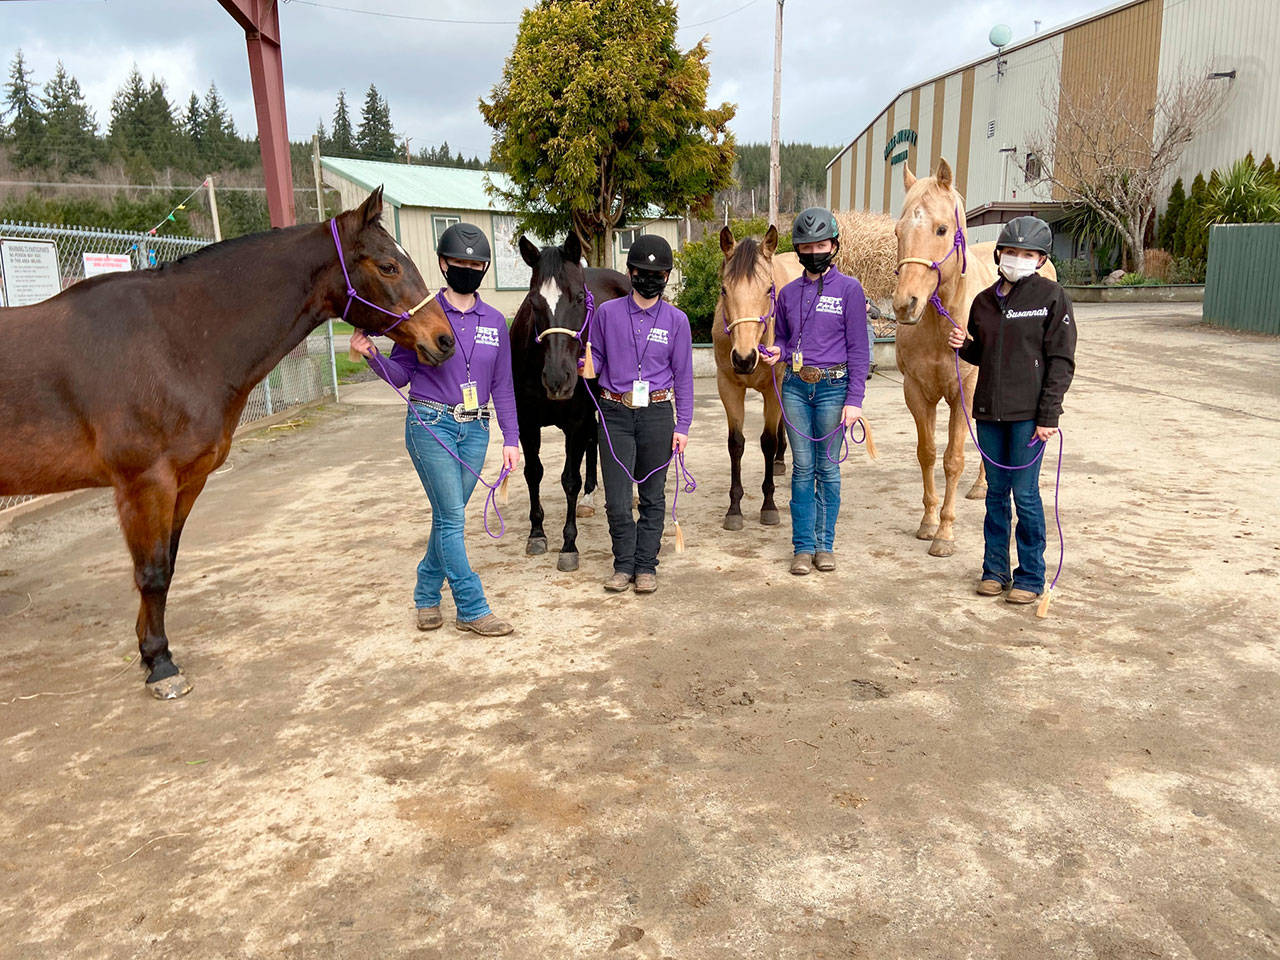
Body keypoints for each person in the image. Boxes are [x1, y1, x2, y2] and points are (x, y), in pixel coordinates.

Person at [350, 222, 520, 636]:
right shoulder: (422, 314)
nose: (468, 269)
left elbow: (502, 384)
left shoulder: (495, 321)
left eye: (476, 264)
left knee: (449, 517)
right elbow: (402, 375)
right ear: (442, 264)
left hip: (475, 428)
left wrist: (511, 439)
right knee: (451, 519)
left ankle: (426, 591)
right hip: (431, 424)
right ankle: (472, 607)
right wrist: (372, 354)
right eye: (459, 262)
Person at [947, 215, 1076, 605]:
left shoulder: (1052, 298)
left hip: (1028, 418)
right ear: (1000, 253)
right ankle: (994, 571)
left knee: (1026, 495)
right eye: (1012, 252)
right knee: (995, 495)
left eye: (1028, 254)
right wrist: (962, 345)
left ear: (1040, 260)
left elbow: (1061, 361)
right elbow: (983, 354)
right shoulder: (984, 301)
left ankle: (1031, 576)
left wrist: (1048, 416)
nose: (1018, 259)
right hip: (989, 413)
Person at [761, 206, 870, 575]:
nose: (813, 252)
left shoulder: (850, 290)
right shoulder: (788, 294)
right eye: (805, 247)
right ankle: (802, 548)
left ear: (834, 245)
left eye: (820, 244)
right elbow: (786, 340)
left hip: (833, 389)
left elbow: (859, 348)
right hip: (794, 386)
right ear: (797, 249)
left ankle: (825, 544)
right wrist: (779, 350)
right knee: (802, 468)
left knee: (829, 469)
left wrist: (854, 400)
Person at [583, 235, 693, 595]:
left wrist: (684, 425)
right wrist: (589, 364)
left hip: (658, 413)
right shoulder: (606, 313)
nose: (649, 279)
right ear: (630, 273)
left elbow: (684, 376)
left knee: (652, 496)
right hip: (614, 411)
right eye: (642, 272)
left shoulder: (677, 320)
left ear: (666, 276)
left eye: (657, 274)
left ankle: (646, 566)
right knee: (616, 498)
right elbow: (597, 355)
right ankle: (623, 564)